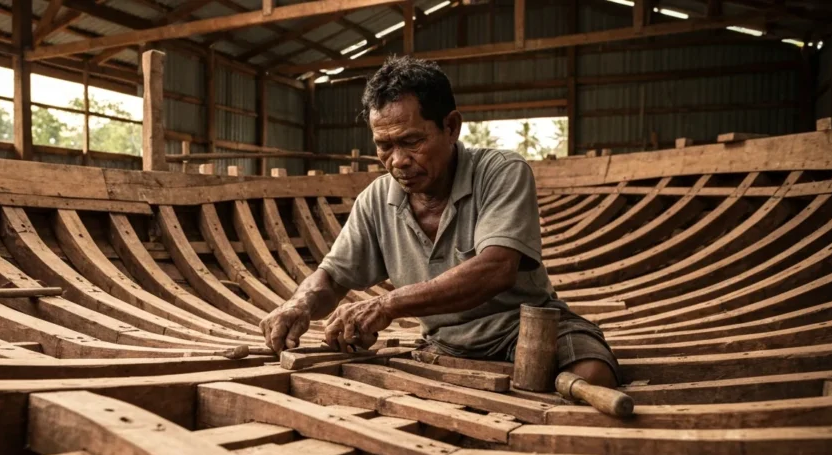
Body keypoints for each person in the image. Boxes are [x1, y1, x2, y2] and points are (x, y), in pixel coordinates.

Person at [259, 56, 618, 388]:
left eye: (412, 141)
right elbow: (332, 278)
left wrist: (386, 305)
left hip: (524, 328)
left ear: (451, 127)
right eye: (383, 145)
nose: (397, 160)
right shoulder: (376, 199)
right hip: (443, 345)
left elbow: (496, 269)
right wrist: (299, 305)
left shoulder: (500, 171)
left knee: (592, 374)